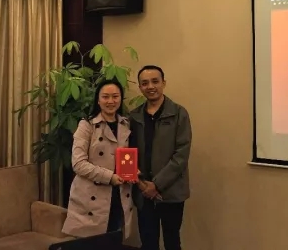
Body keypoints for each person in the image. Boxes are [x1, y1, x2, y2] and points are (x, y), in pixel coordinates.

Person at [62, 80, 138, 241]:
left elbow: (127, 157)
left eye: (115, 96)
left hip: (119, 195)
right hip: (91, 198)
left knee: (114, 241)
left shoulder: (126, 124)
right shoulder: (86, 125)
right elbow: (78, 164)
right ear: (98, 100)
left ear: (121, 98)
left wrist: (133, 171)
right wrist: (110, 177)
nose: (111, 101)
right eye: (105, 97)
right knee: (92, 244)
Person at [129, 65, 192, 250]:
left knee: (172, 241)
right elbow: (128, 154)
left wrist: (156, 185)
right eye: (145, 83)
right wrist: (142, 185)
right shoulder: (134, 116)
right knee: (148, 242)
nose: (150, 86)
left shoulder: (179, 113)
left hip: (171, 192)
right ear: (140, 87)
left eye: (155, 81)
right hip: (143, 192)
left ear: (164, 83)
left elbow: (181, 155)